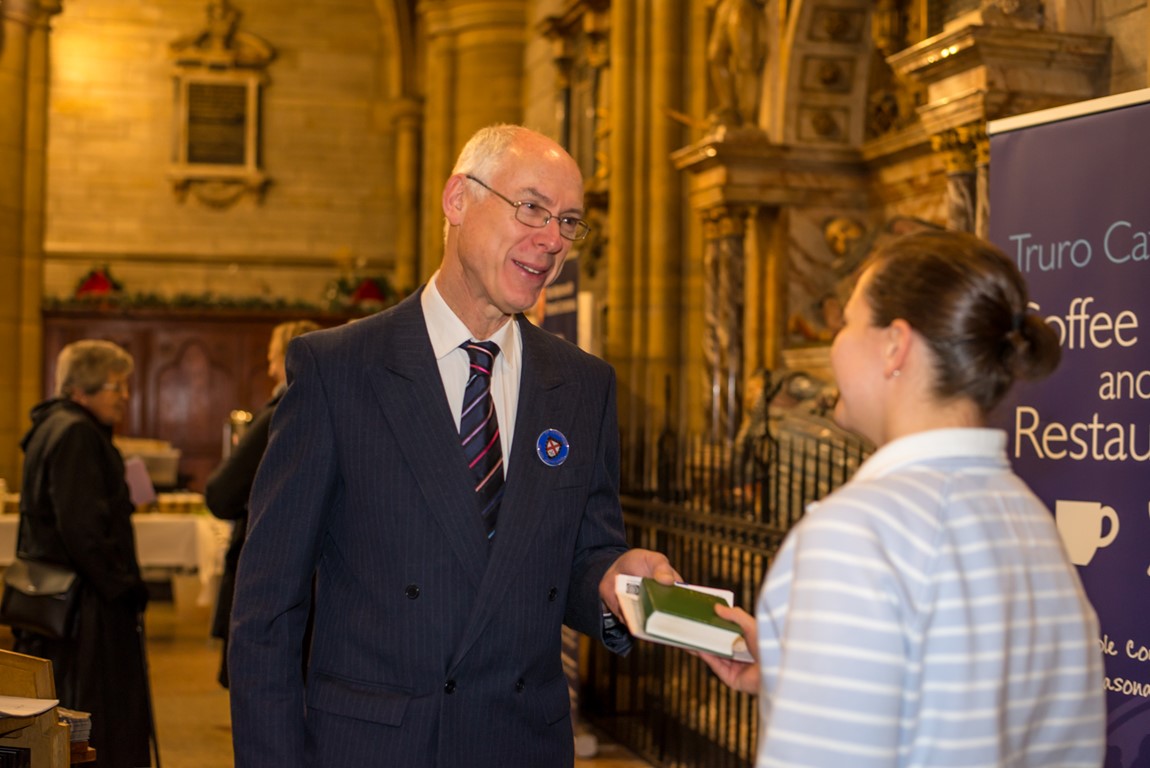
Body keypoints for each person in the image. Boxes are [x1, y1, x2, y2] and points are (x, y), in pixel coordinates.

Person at [228, 124, 679, 768]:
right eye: (532, 208)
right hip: (376, 747)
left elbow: (577, 556)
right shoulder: (339, 370)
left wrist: (611, 576)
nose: (552, 240)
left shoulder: (583, 385)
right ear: (457, 200)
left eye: (569, 221)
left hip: (520, 742)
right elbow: (268, 608)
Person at [701, 230, 1106, 766]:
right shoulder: (1031, 522)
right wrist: (799, 670)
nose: (832, 343)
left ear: (895, 345)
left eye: (846, 323)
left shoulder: (855, 535)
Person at [14, 339, 153, 768]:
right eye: (117, 386)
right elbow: (83, 529)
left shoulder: (56, 425)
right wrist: (125, 588)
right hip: (87, 610)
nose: (126, 397)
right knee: (97, 719)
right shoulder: (75, 432)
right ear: (83, 388)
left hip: (69, 600)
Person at [204, 319, 319, 688]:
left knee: (266, 695)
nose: (269, 369)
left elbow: (221, 495)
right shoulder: (336, 406)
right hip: (319, 585)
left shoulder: (282, 411)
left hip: (272, 578)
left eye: (272, 359)